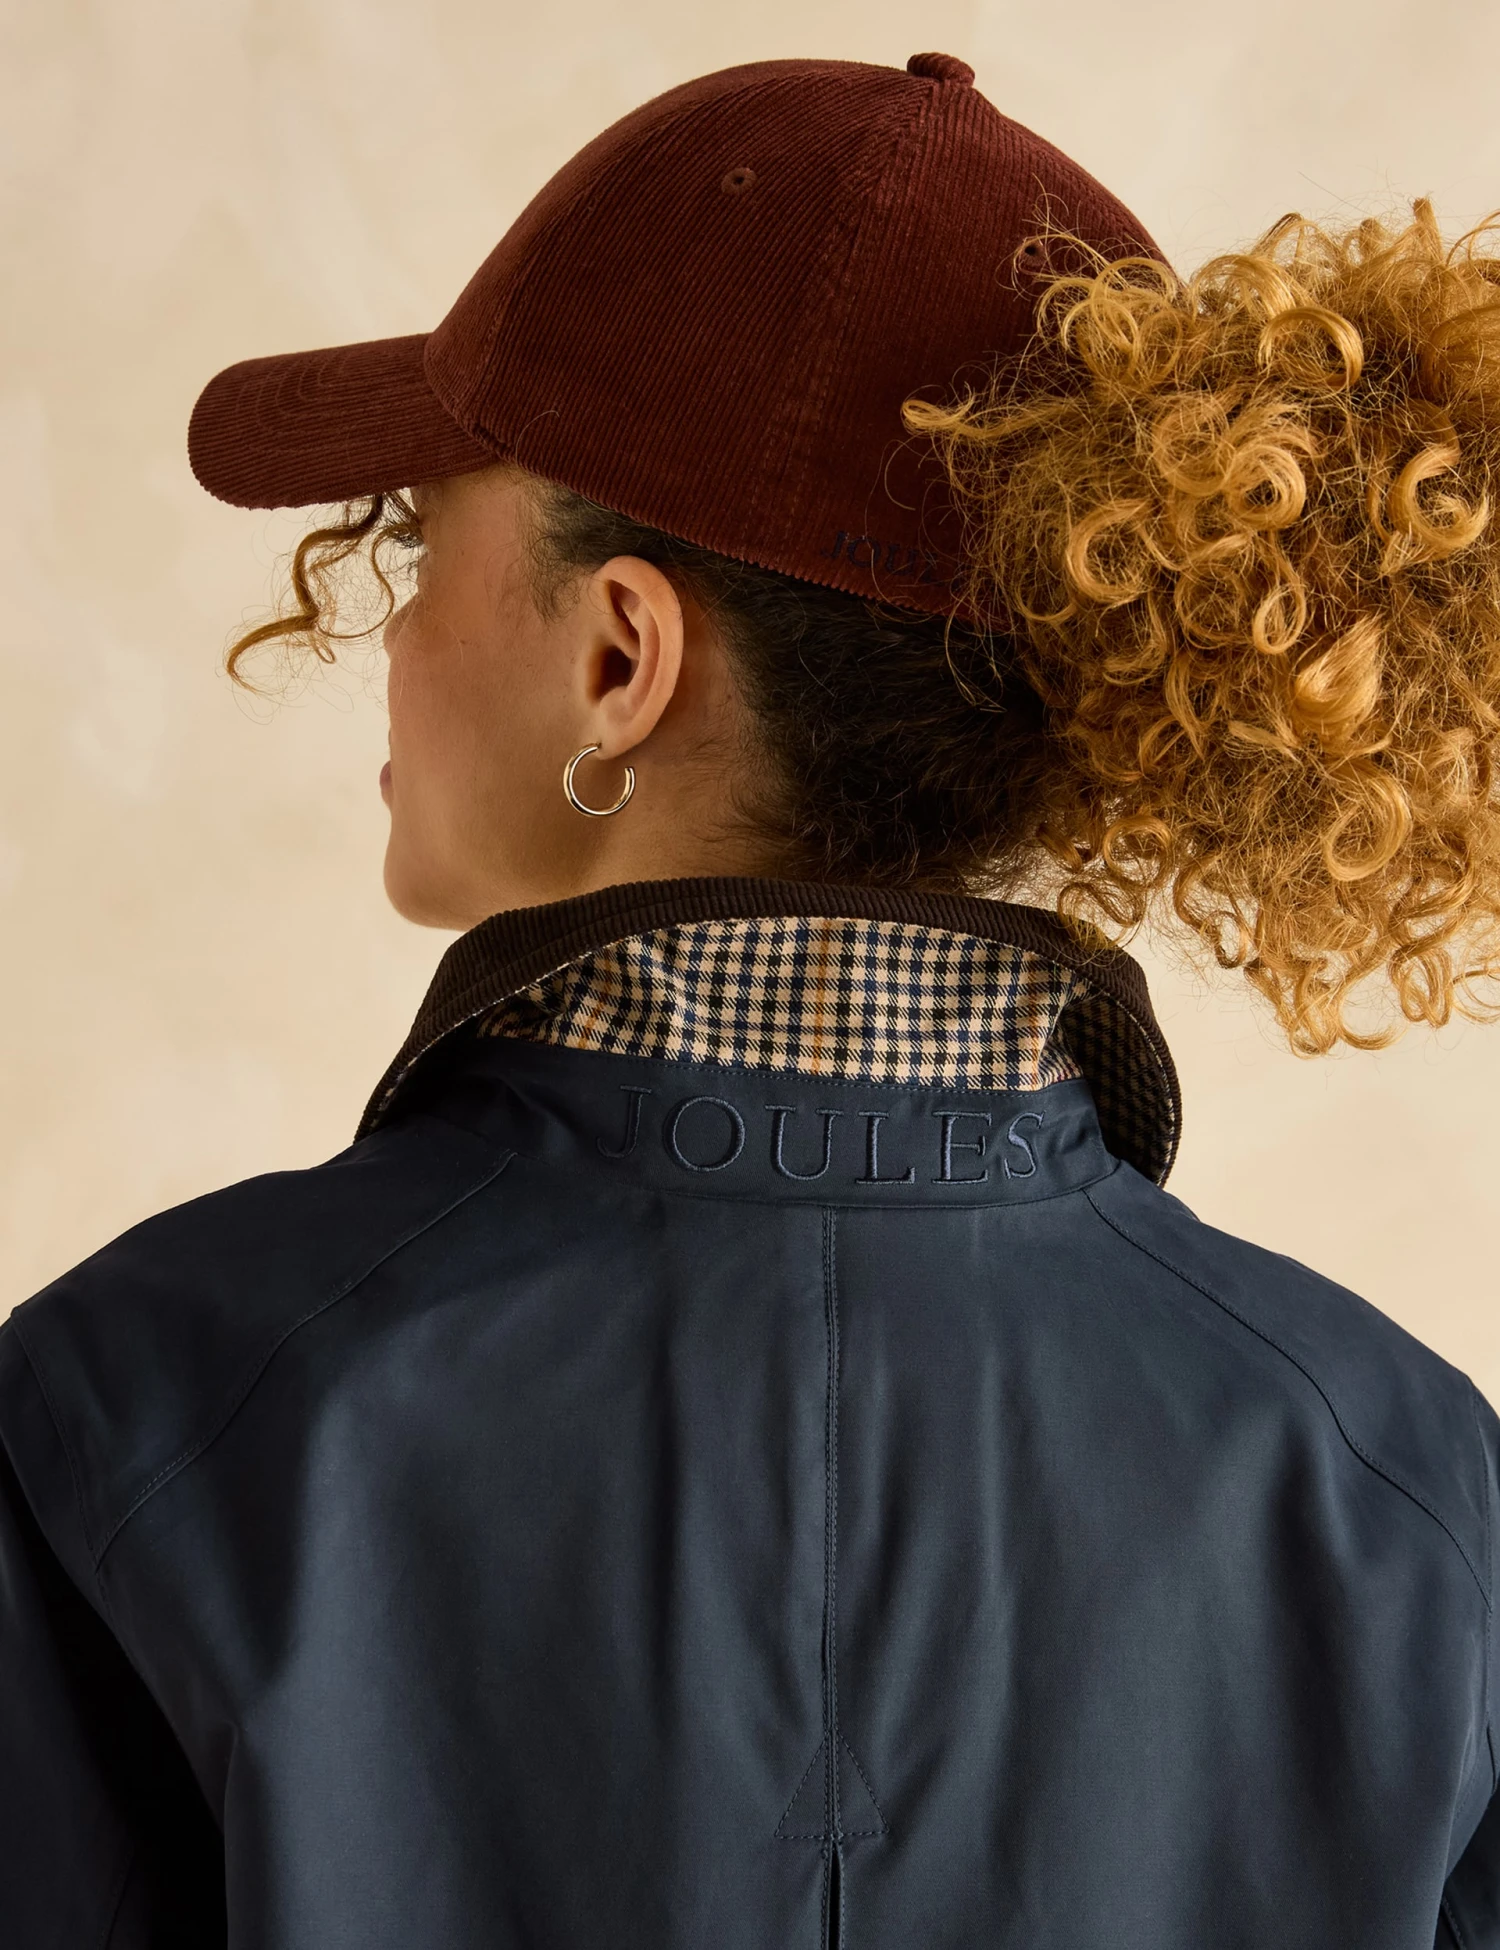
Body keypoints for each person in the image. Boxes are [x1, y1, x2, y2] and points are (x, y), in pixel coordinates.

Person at [4, 47, 1500, 1949]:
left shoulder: (138, 1417)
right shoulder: (1408, 1493)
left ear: (620, 655)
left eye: (418, 540)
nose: (388, 636)